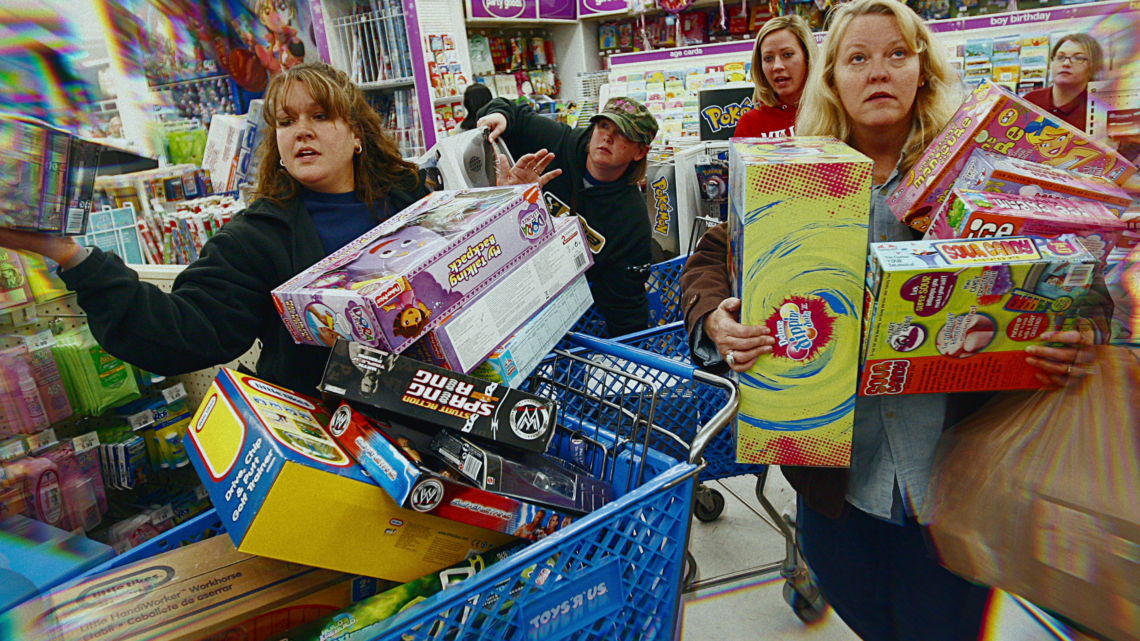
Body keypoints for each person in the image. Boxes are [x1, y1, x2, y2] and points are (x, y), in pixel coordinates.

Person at [680, 1, 1092, 638]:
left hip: (958, 478)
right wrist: (716, 318)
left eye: (897, 54)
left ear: (922, 69)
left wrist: (1078, 331)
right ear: (834, 79)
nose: (879, 72)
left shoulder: (980, 173)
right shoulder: (798, 174)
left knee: (943, 625)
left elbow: (1076, 273)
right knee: (865, 609)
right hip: (840, 481)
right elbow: (708, 258)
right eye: (858, 58)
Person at [0, 63, 557, 398]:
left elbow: (481, 285)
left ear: (357, 134)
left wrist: (501, 208)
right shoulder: (255, 238)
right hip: (338, 441)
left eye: (320, 116)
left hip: (449, 413)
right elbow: (184, 333)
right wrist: (74, 257)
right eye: (286, 122)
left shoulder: (413, 199)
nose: (302, 133)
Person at [477, 96, 656, 337]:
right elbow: (511, 111)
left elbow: (626, 303)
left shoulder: (631, 219)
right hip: (501, 274)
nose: (608, 137)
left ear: (640, 152)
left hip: (565, 312)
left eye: (623, 134)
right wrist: (500, 116)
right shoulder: (558, 142)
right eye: (603, 126)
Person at [734, 14, 817, 139]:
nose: (777, 66)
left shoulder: (832, 112)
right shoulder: (749, 124)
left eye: (787, 54)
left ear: (807, 56)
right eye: (768, 58)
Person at [1023, 34, 1102, 133]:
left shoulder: (1099, 109)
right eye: (1060, 57)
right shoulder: (1030, 100)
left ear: (1093, 66)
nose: (1066, 63)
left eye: (1078, 58)